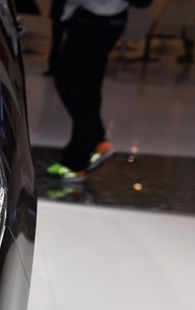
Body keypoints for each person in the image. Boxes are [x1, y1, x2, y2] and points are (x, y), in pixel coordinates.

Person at [46, 0, 128, 182]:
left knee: (84, 89)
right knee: (66, 78)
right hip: (91, 15)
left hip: (99, 18)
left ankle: (75, 163)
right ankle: (97, 142)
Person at [44, 0, 67, 76]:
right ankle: (54, 67)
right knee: (56, 42)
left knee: (57, 42)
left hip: (63, 11)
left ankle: (56, 67)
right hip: (61, 11)